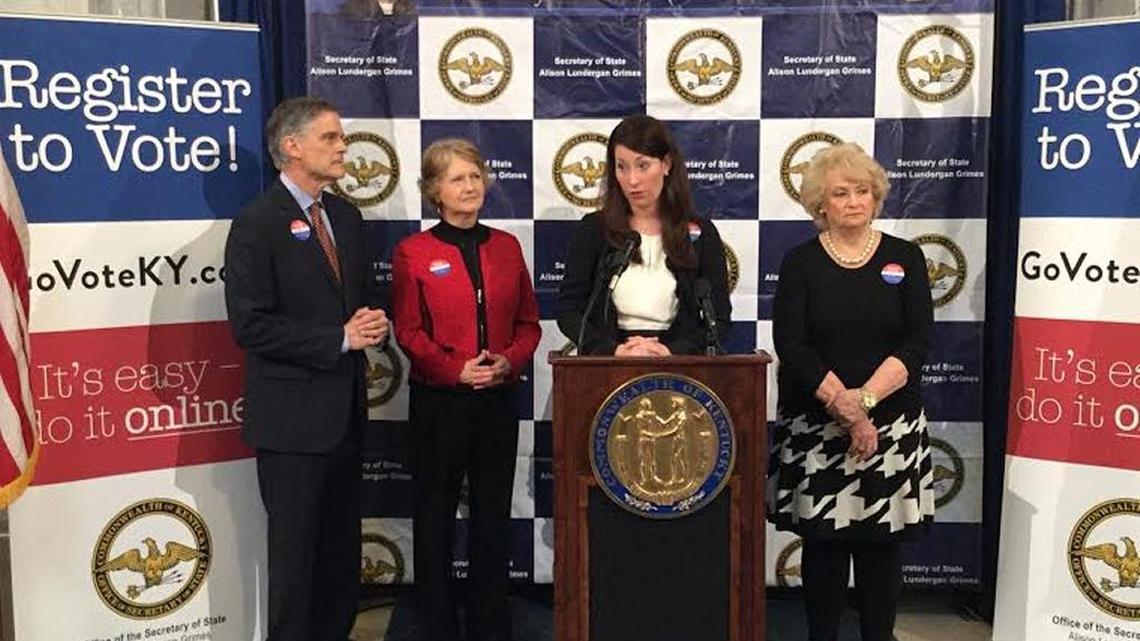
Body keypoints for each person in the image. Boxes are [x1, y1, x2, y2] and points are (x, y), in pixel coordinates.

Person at [223, 97, 388, 641]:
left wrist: (367, 322)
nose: (344, 147)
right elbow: (251, 326)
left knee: (341, 566)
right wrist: (338, 338)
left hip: (345, 420)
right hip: (291, 428)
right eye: (331, 138)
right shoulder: (255, 223)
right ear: (292, 147)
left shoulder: (346, 216)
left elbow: (350, 303)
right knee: (294, 568)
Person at [768, 142, 934, 641]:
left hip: (891, 429)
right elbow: (792, 345)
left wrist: (863, 405)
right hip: (819, 428)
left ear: (876, 196)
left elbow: (917, 342)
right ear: (821, 204)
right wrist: (845, 408)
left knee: (883, 549)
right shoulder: (800, 263)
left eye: (863, 191)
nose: (854, 201)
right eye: (841, 193)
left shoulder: (906, 257)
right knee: (825, 548)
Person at [391, 138, 540, 641]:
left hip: (498, 400)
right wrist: (455, 370)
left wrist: (508, 361)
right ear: (435, 190)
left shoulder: (506, 246)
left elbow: (529, 324)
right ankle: (436, 623)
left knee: (491, 515)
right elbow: (408, 331)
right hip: (440, 402)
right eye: (458, 178)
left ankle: (489, 623)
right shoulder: (413, 252)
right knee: (434, 514)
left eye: (476, 176)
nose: (471, 186)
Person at [557, 114, 731, 356]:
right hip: (607, 366)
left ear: (666, 164)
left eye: (642, 165)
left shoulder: (700, 234)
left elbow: (719, 320)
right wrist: (613, 350)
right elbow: (569, 313)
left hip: (678, 365)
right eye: (621, 167)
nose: (632, 180)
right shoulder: (594, 229)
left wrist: (670, 350)